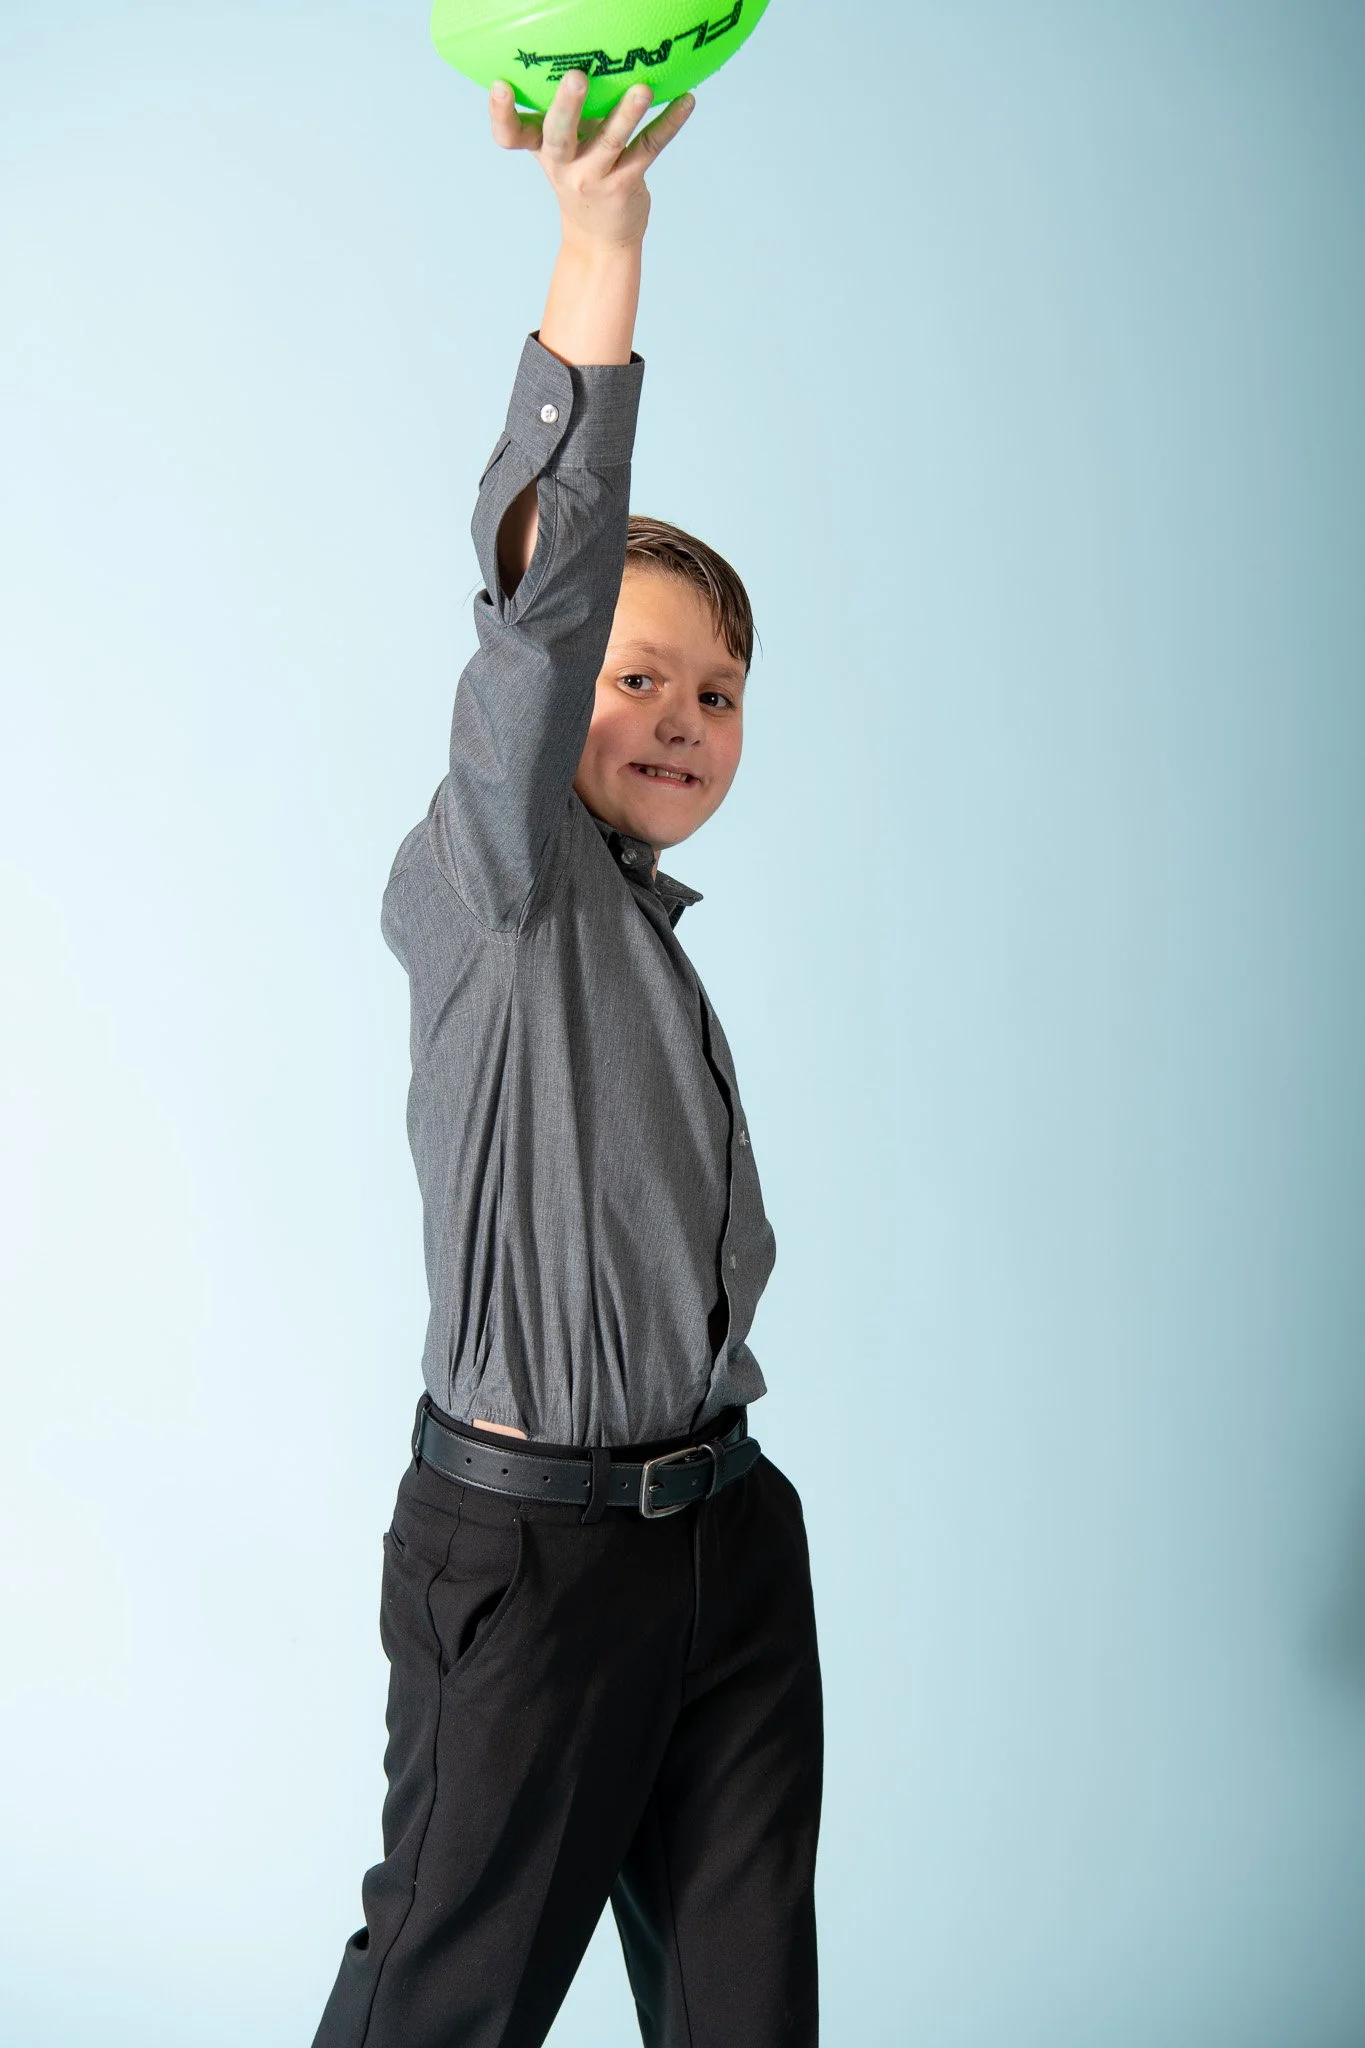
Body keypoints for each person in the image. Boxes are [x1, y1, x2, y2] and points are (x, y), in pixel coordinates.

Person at [312, 67, 823, 2048]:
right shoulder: (493, 877)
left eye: (719, 688)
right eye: (638, 674)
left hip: (727, 1541)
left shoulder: (643, 937)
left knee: (744, 2009)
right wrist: (596, 248)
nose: (685, 714)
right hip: (528, 1564)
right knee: (443, 2004)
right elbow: (533, 611)